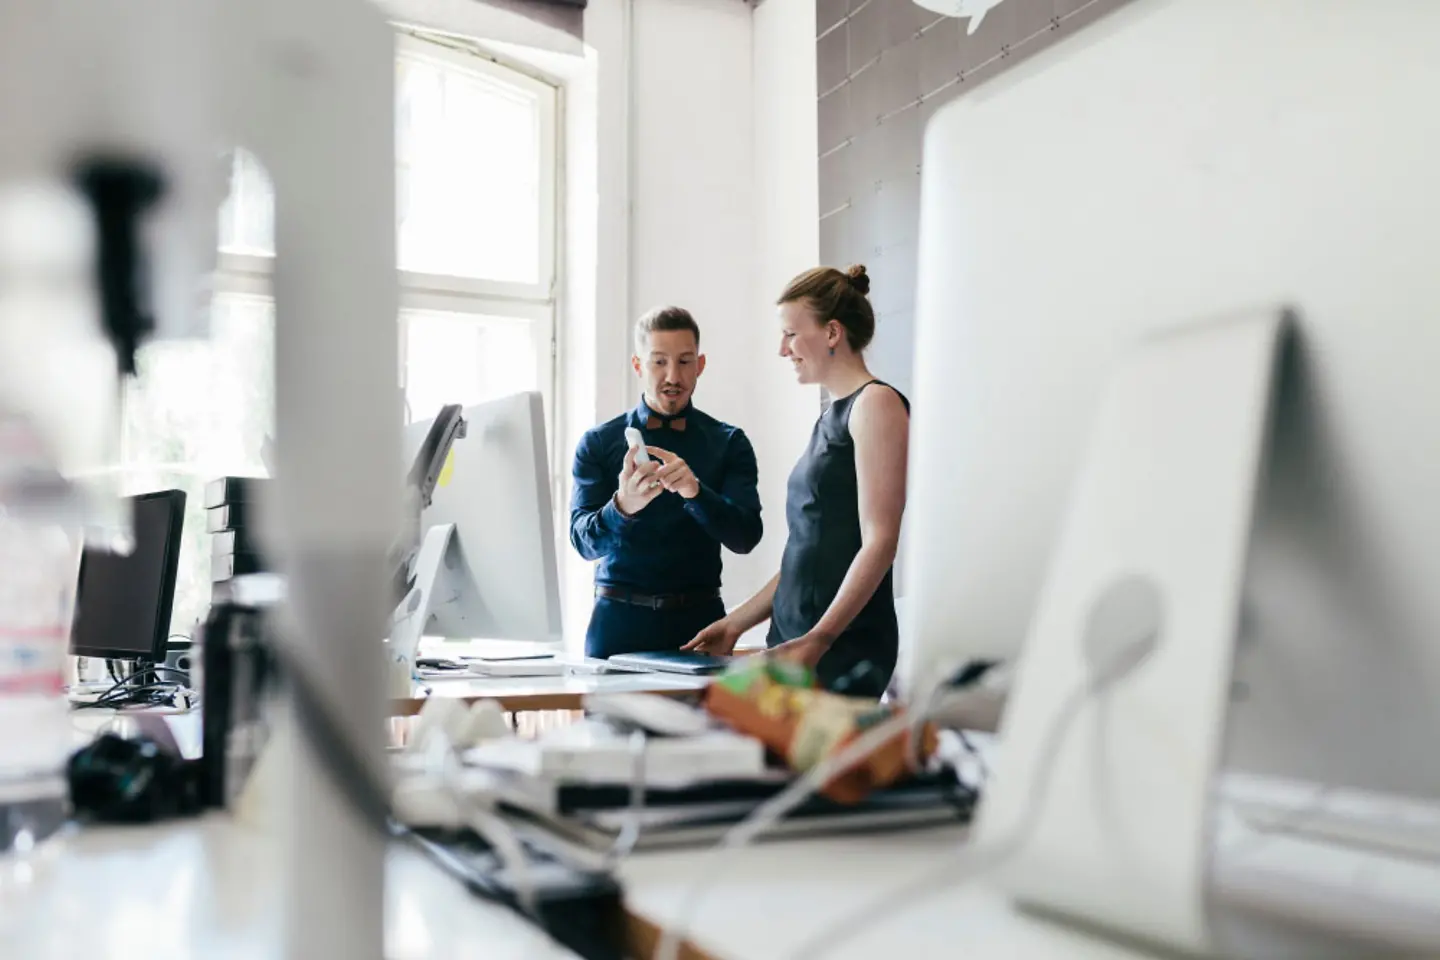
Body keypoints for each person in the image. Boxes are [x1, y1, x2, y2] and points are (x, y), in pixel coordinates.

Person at [684, 265, 910, 697]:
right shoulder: (829, 417)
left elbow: (880, 541)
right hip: (794, 643)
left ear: (831, 333)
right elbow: (806, 553)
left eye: (790, 333)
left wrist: (819, 639)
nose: (782, 350)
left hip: (837, 647)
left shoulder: (876, 404)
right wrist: (736, 622)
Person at [570, 306, 763, 659]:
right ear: (638, 365)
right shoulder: (598, 443)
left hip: (700, 627)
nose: (673, 375)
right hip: (616, 627)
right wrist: (622, 507)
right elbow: (582, 543)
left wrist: (696, 493)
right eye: (659, 362)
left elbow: (746, 537)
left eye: (685, 361)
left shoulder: (729, 443)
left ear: (700, 365)